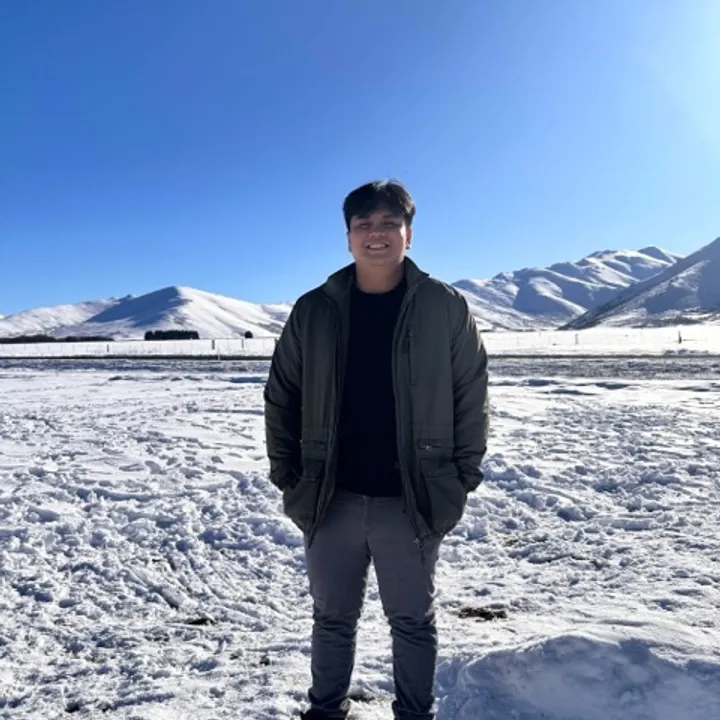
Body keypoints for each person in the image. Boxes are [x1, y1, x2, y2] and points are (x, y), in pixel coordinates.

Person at [264, 179, 489, 720]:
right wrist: (288, 474)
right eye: (363, 224)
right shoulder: (315, 310)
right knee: (332, 619)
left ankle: (414, 714)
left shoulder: (443, 305)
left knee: (411, 621)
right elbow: (282, 394)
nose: (376, 233)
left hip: (412, 497)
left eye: (389, 223)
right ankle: (325, 712)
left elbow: (471, 392)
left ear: (409, 234)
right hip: (330, 496)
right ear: (348, 237)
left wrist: (459, 477)